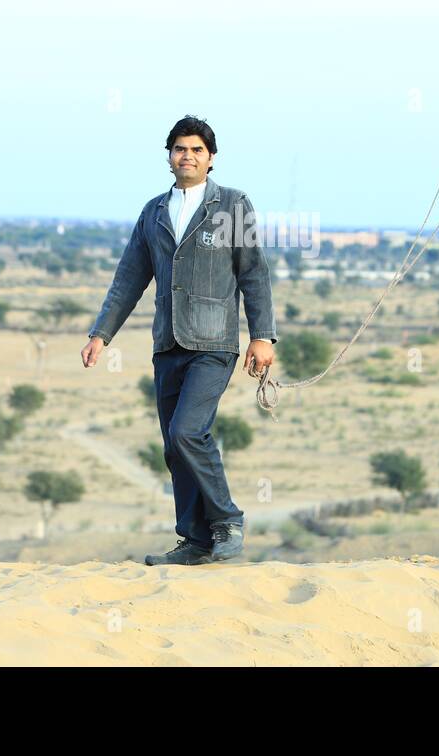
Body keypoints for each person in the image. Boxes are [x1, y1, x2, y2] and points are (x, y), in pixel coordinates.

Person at [81, 115, 276, 565]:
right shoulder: (153, 211)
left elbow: (253, 272)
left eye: (197, 150)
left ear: (211, 159)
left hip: (213, 342)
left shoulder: (232, 205)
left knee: (189, 431)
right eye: (179, 149)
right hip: (167, 342)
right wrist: (101, 334)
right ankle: (194, 541)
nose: (187, 156)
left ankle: (226, 520)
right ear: (169, 156)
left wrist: (262, 336)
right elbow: (129, 277)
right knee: (173, 443)